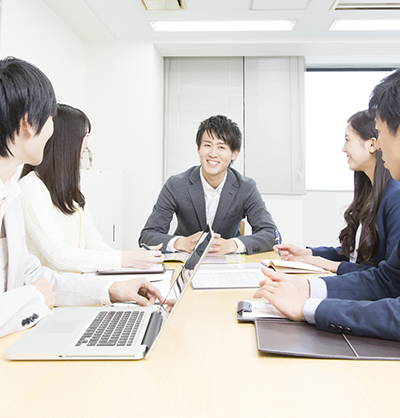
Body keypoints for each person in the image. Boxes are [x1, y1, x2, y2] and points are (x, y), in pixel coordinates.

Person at [0, 57, 167, 339]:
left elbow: (33, 276)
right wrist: (31, 298)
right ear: (29, 122)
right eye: (51, 117)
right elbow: (38, 286)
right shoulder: (26, 188)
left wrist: (109, 290)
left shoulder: (10, 192)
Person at [255, 68, 400, 341]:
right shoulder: (373, 189)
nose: (379, 145)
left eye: (379, 133)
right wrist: (308, 287)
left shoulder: (395, 196)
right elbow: (388, 280)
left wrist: (310, 303)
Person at [19, 104, 164, 273]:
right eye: (84, 136)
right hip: (48, 294)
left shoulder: (71, 190)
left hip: (77, 287)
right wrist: (125, 259)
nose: (87, 145)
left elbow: (93, 243)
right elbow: (59, 255)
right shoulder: (30, 187)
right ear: (66, 140)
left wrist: (130, 262)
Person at [276, 110, 400, 274]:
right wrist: (308, 253)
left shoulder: (394, 197)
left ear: (372, 144)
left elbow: (387, 276)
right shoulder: (370, 191)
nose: (343, 149)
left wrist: (327, 264)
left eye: (347, 140)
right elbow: (355, 255)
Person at [140, 114, 279, 255]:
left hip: (229, 263)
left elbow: (271, 235)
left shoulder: (246, 187)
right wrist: (181, 242)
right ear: (198, 148)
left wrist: (232, 245)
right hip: (185, 261)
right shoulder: (176, 184)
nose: (213, 154)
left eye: (221, 147)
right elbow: (147, 236)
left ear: (234, 153)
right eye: (207, 145)